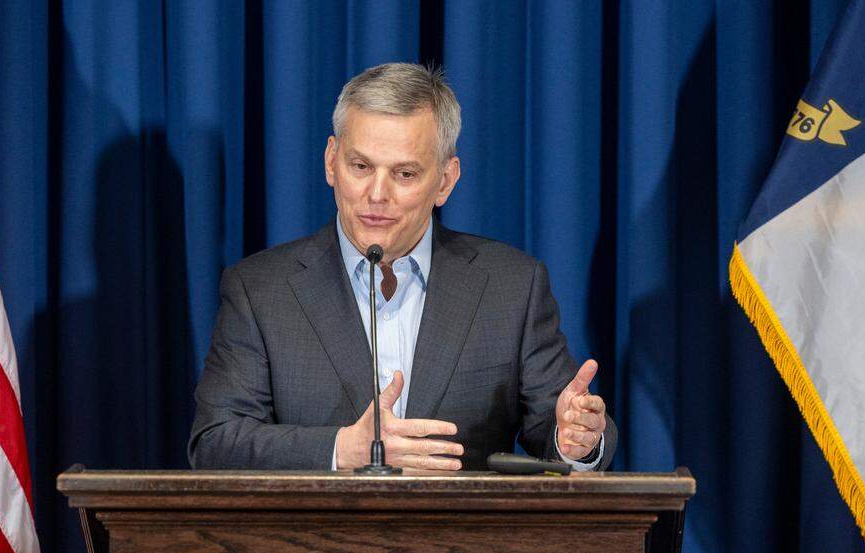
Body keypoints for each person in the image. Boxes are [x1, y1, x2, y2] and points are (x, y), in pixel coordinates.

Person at [189, 62, 616, 471]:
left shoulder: (512, 287)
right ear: (331, 161)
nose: (377, 194)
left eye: (405, 174)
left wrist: (575, 439)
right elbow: (216, 441)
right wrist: (343, 449)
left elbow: (556, 428)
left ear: (445, 181)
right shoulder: (260, 290)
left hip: (466, 543)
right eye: (360, 166)